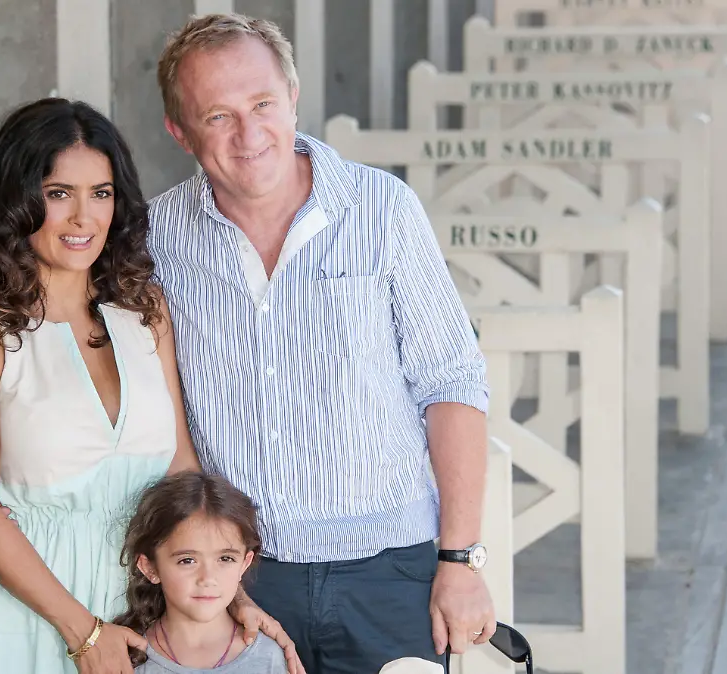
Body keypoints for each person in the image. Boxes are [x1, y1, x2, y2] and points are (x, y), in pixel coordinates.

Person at [146, 13, 496, 674]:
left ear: (293, 96)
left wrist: (460, 560)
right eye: (218, 117)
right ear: (180, 131)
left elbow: (451, 382)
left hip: (392, 575)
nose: (249, 135)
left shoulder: (382, 209)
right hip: (237, 583)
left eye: (262, 104)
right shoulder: (154, 240)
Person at [0, 97, 294, 674]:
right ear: (15, 203)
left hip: (148, 610)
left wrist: (233, 597)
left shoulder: (143, 312)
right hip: (33, 617)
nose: (83, 217)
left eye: (100, 193)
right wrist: (85, 632)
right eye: (58, 193)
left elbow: (180, 465)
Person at [113, 472, 287, 673]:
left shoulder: (267, 657)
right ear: (150, 567)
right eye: (187, 560)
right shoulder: (125, 660)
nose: (207, 578)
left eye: (225, 559)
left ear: (244, 563)